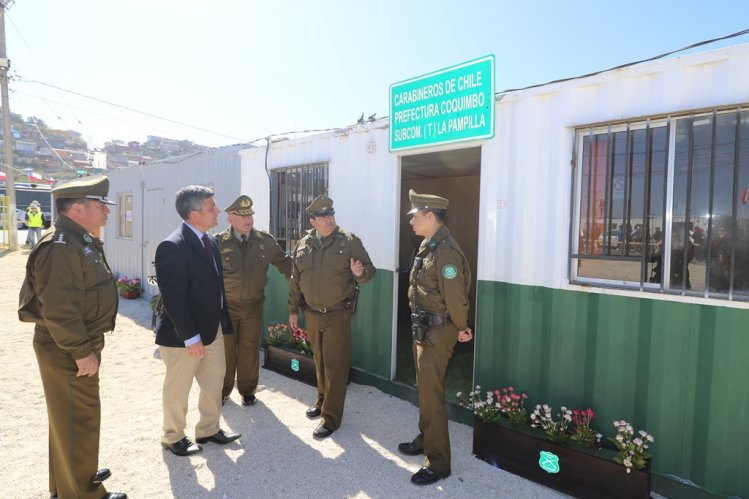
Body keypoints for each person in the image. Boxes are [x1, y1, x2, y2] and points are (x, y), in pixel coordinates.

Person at [18, 176, 127, 499]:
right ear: (78, 208)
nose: (107, 212)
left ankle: (67, 486)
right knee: (79, 420)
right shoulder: (61, 245)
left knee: (67, 420)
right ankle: (84, 493)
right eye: (100, 206)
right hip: (68, 346)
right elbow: (59, 308)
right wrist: (81, 351)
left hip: (73, 342)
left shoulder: (77, 239)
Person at [154, 185, 240, 457]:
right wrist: (191, 338)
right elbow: (174, 299)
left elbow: (216, 287)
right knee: (179, 388)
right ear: (194, 214)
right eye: (212, 207)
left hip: (211, 329)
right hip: (183, 336)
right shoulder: (172, 246)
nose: (218, 211)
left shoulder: (210, 240)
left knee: (214, 381)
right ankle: (173, 436)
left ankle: (208, 429)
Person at [398, 189, 473, 486]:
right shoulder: (428, 245)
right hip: (424, 330)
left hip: (438, 332)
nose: (411, 222)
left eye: (415, 216)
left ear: (430, 216)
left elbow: (455, 297)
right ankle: (425, 438)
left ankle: (439, 462)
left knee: (432, 395)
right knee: (425, 392)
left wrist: (462, 326)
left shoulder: (445, 252)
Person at [288, 195, 375, 439]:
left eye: (331, 215)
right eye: (323, 217)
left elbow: (370, 271)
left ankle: (332, 418)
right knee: (320, 361)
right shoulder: (304, 243)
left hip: (337, 314)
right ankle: (322, 401)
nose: (329, 220)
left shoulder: (348, 242)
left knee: (335, 365)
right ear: (312, 220)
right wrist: (293, 308)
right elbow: (296, 278)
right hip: (312, 313)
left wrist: (360, 273)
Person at [217, 195, 292, 406]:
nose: (247, 219)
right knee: (226, 350)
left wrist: (305, 279)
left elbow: (286, 264)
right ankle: (222, 391)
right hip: (227, 307)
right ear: (230, 218)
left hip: (253, 306)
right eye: (241, 215)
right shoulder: (217, 243)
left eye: (249, 214)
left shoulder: (265, 241)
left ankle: (248, 391)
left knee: (249, 348)